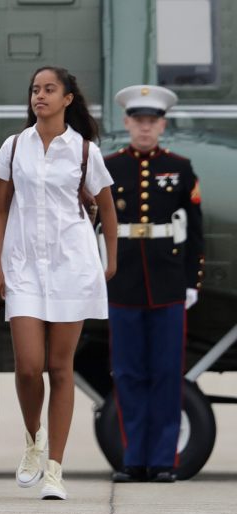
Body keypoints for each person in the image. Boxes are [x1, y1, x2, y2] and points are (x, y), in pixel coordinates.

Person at [0, 66, 118, 500]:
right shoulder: (14, 146)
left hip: (71, 266)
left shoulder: (84, 151)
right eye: (34, 90)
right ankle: (32, 440)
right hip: (23, 266)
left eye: (48, 90)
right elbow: (1, 209)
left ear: (67, 100)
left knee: (61, 370)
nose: (39, 96)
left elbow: (108, 209)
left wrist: (110, 261)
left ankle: (56, 471)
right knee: (28, 366)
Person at [104, 85, 205, 483]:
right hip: (124, 281)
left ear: (162, 124)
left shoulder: (180, 168)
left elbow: (195, 232)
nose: (145, 128)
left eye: (152, 122)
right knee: (128, 373)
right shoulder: (110, 168)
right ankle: (134, 459)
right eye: (138, 121)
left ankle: (164, 460)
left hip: (166, 283)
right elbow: (92, 223)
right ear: (127, 122)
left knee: (166, 372)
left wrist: (192, 282)